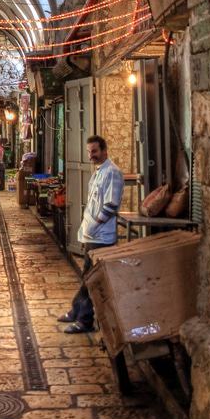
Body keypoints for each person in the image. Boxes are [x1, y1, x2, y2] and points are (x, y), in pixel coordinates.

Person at [59, 135, 123, 334]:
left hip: (101, 237)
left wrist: (95, 225)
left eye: (94, 151)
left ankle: (85, 320)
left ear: (104, 150)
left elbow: (111, 205)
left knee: (91, 279)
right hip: (92, 236)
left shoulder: (112, 172)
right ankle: (76, 310)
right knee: (87, 276)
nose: (91, 156)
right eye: (89, 152)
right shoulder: (98, 172)